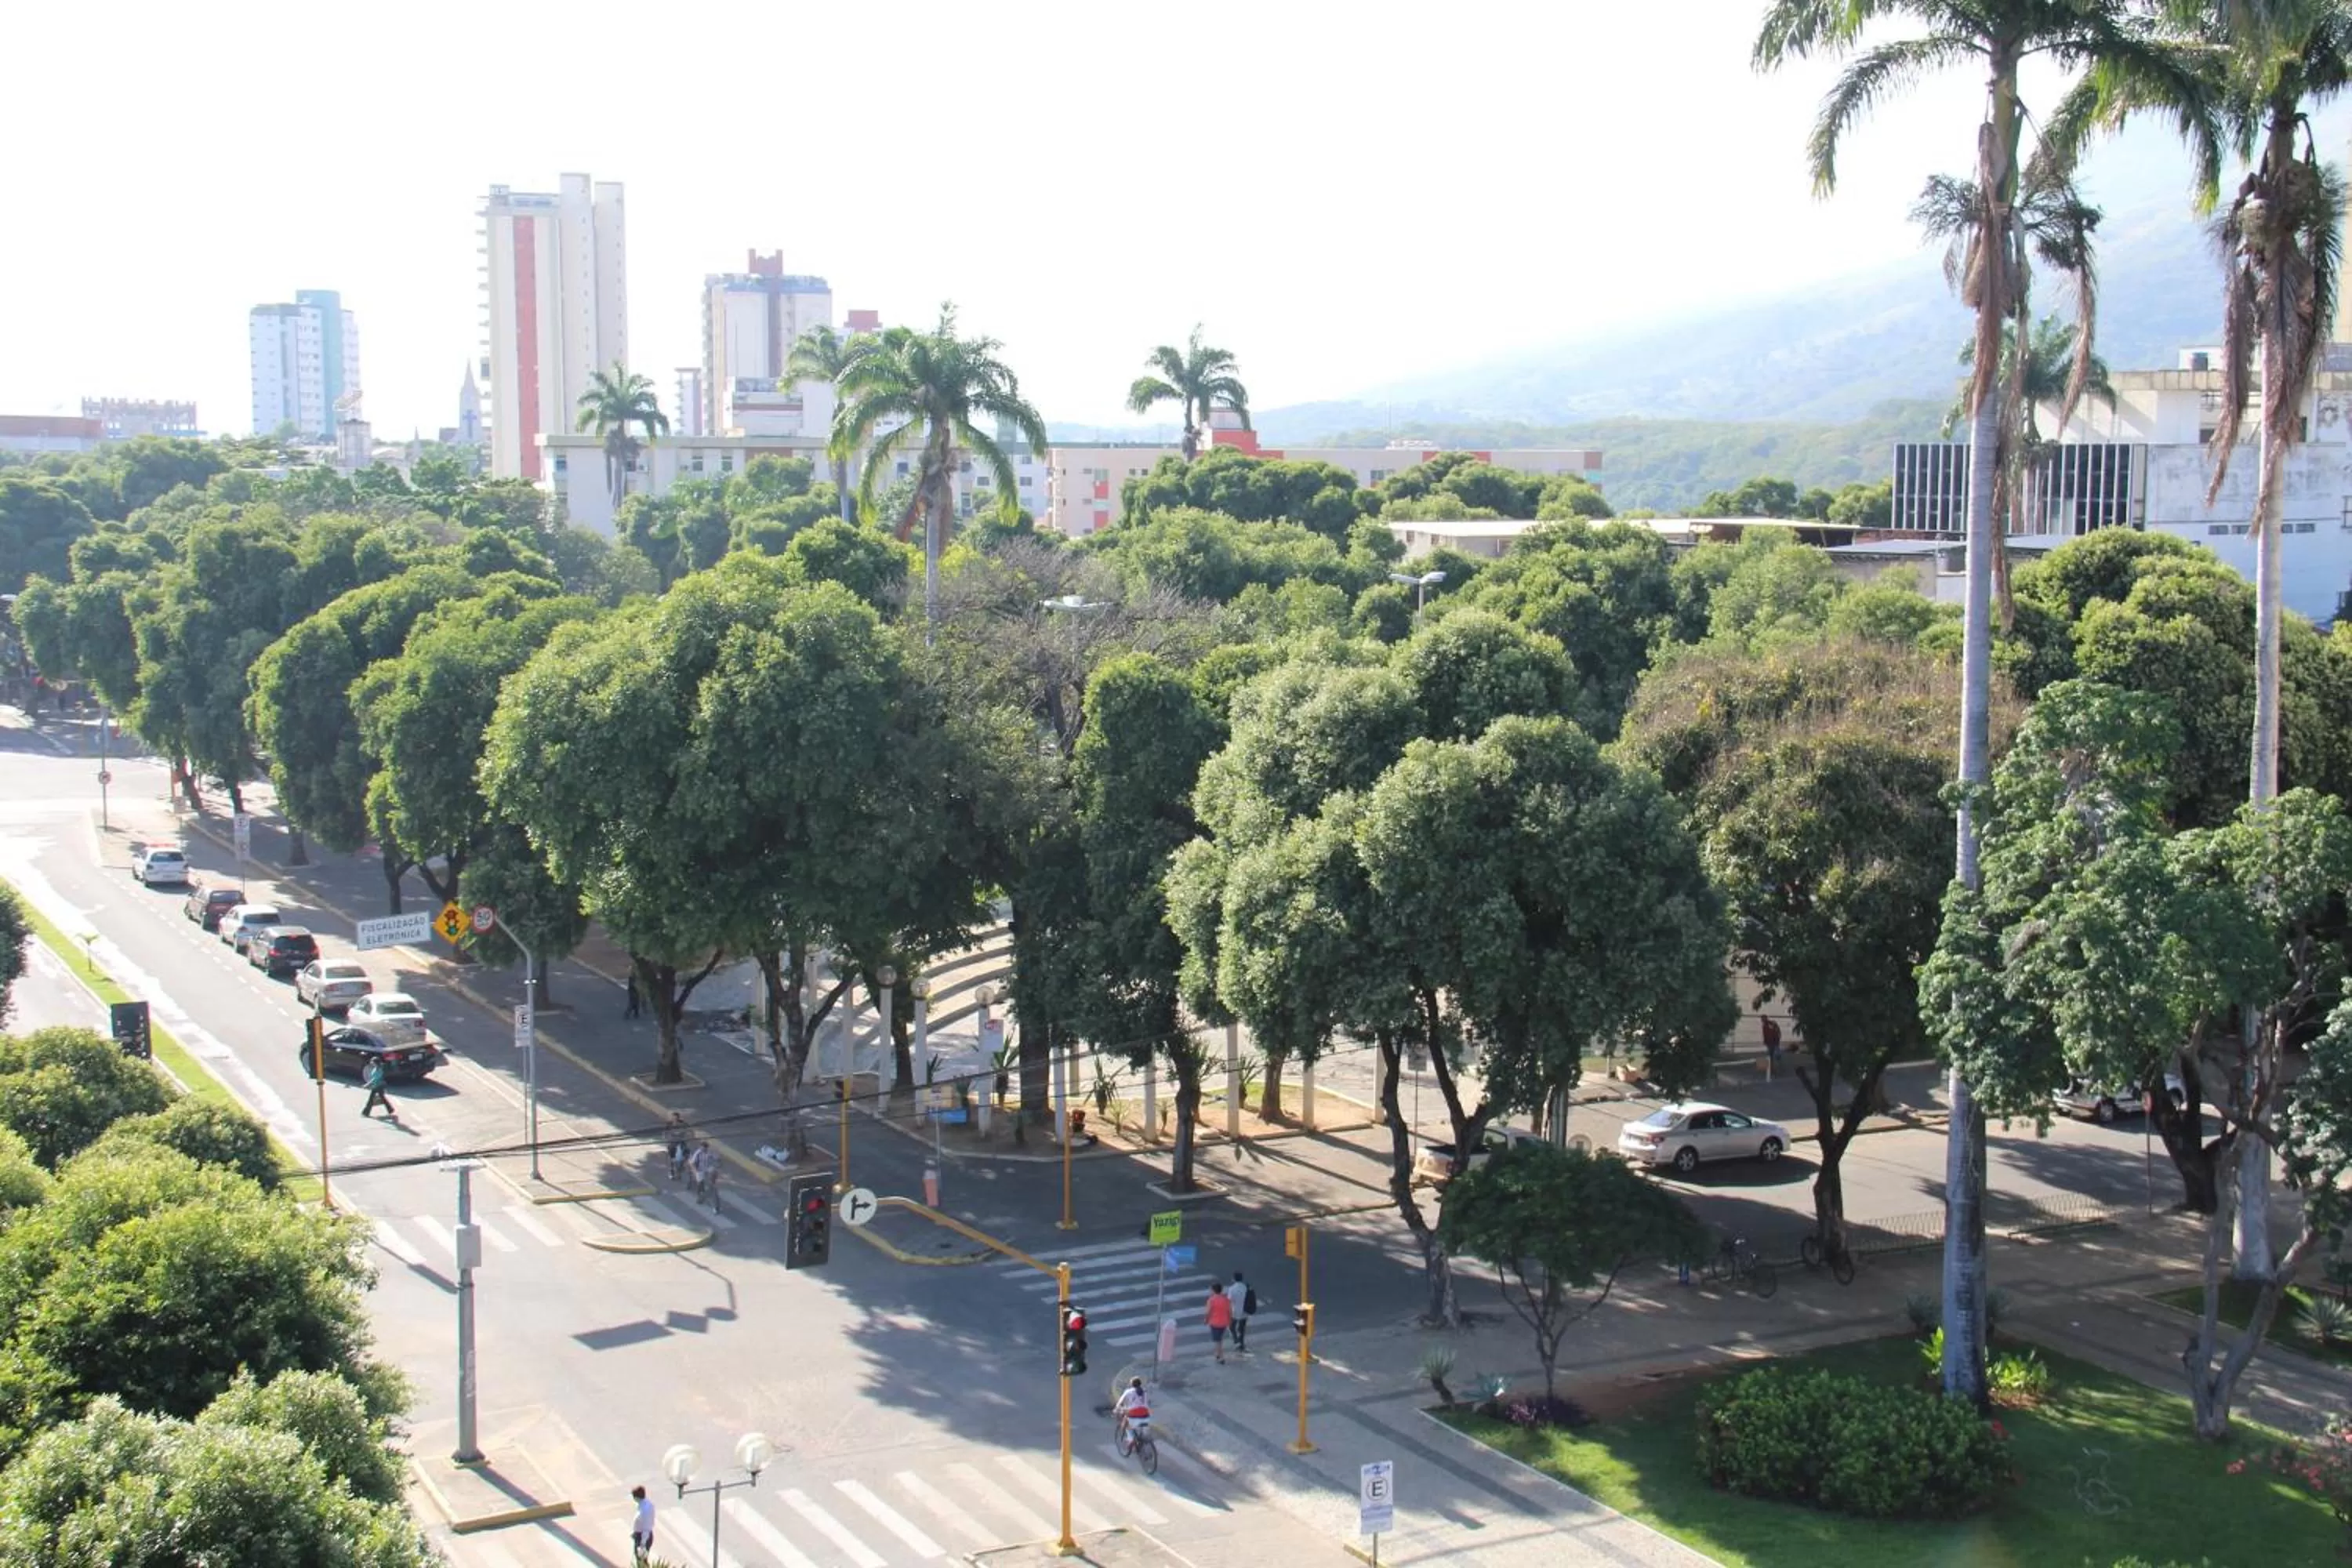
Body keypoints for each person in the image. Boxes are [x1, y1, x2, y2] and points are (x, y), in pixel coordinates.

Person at [1114, 1376, 1150, 1446]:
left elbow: (1120, 1402)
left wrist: (1117, 1409)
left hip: (1134, 1414)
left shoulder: (1128, 1391)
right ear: (1140, 1384)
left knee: (1127, 1425)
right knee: (1140, 1427)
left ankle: (1131, 1440)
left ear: (1131, 1384)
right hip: (1146, 1414)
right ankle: (1142, 1440)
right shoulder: (1145, 1391)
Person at [1205, 1281, 1234, 1363]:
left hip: (1214, 1323)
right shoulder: (1226, 1300)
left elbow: (1208, 1312)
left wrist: (1206, 1320)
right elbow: (1230, 1311)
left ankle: (1221, 1357)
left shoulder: (1211, 1300)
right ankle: (1217, 1354)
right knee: (1219, 1339)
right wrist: (1230, 1321)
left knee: (1217, 1340)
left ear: (1213, 1290)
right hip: (1224, 1323)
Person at [1225, 1269, 1254, 1354]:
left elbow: (1229, 1300)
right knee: (1242, 1329)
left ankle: (1236, 1341)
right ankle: (1241, 1345)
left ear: (1234, 1279)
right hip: (1245, 1311)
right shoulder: (1246, 1287)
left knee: (1231, 1327)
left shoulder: (1232, 1289)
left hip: (1235, 1311)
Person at [361, 1056, 394, 1120]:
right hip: (377, 1086)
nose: (371, 1063)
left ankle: (366, 1112)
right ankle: (390, 1109)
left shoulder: (379, 1070)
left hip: (378, 1086)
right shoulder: (375, 1068)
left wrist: (367, 1085)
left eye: (372, 1062)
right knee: (383, 1098)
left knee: (371, 1099)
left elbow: (375, 1079)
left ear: (376, 1063)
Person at [630, 1484, 655, 1564]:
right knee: (640, 1559)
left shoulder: (645, 1510)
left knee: (641, 1561)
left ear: (637, 1497)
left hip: (643, 1538)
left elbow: (646, 1528)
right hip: (639, 1535)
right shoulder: (643, 1505)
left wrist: (643, 1544)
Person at [665, 1113, 691, 1182]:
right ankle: (672, 1171)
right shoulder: (669, 1125)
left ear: (678, 1119)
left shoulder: (683, 1124)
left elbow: (689, 1132)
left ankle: (680, 1170)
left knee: (685, 1156)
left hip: (681, 1143)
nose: (675, 1120)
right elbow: (665, 1134)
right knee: (672, 1160)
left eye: (676, 1119)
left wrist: (686, 1138)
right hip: (673, 1144)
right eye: (673, 1119)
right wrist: (668, 1139)